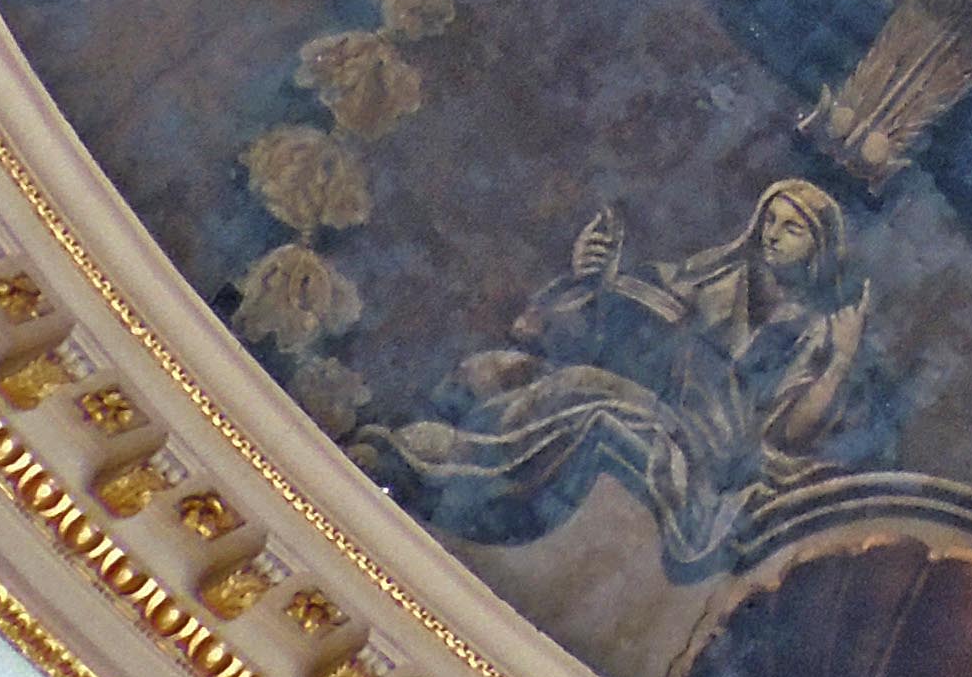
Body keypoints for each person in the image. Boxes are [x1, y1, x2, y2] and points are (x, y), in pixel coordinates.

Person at [364, 181, 867, 571]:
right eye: (770, 221)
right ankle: (431, 446)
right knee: (503, 370)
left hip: (705, 447)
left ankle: (439, 467)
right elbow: (634, 302)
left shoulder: (814, 332)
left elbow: (788, 437)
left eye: (792, 229)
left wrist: (841, 360)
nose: (772, 236)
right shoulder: (716, 275)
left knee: (589, 396)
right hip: (657, 405)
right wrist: (593, 277)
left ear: (819, 249)